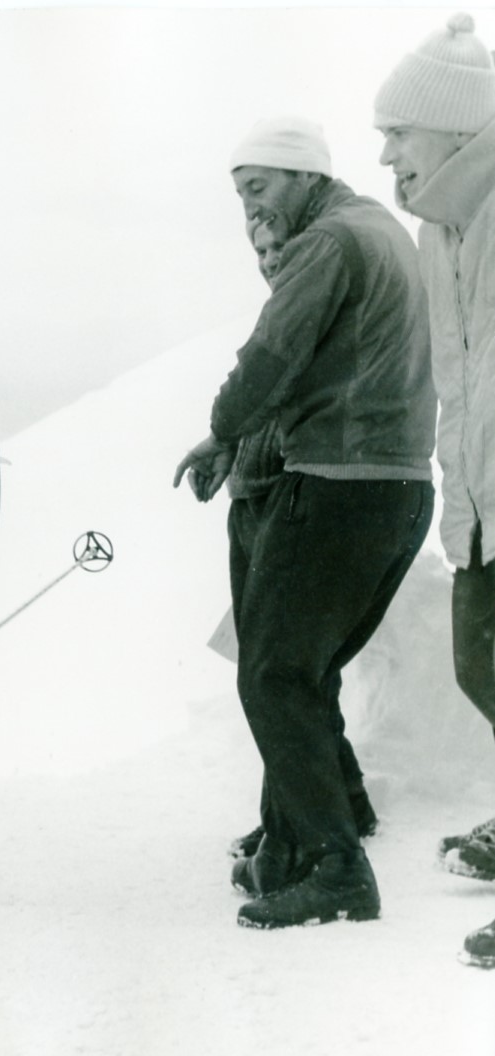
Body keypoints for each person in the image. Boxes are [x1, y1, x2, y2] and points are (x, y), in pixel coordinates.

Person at [174, 117, 437, 929]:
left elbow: (271, 355)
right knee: (299, 663)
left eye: (257, 187)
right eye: (238, 193)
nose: (248, 207)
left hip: (340, 482)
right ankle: (319, 819)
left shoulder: (326, 242)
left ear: (300, 175)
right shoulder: (374, 230)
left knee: (273, 673)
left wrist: (222, 430)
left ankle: (336, 870)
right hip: (392, 485)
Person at [373, 11, 495, 968]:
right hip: (480, 501)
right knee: (478, 667)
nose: (386, 154)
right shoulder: (440, 235)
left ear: (453, 128)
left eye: (397, 133)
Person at [213, 218, 379, 862]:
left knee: (281, 678)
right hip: (254, 505)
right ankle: (333, 802)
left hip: (292, 503)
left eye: (279, 247)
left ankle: (310, 819)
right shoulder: (279, 314)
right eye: (258, 250)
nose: (269, 259)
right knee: (288, 677)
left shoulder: (311, 316)